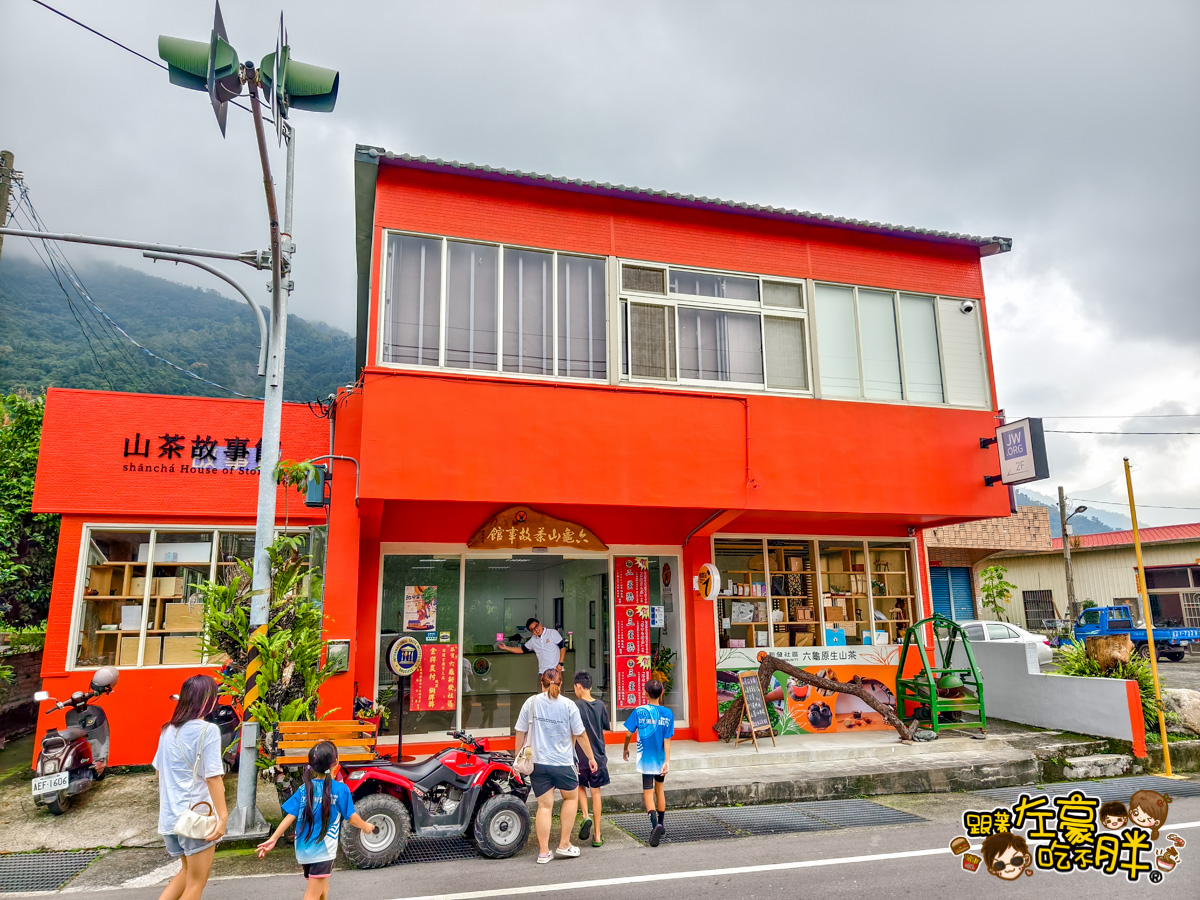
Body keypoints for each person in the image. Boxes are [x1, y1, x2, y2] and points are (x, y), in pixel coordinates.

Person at [256, 741, 376, 898]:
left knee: (322, 888)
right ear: (336, 762)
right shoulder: (340, 790)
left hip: (303, 852)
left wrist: (274, 838)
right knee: (312, 894)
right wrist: (366, 827)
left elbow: (290, 816)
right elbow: (352, 818)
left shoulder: (304, 789)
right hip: (323, 852)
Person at [153, 674, 227, 900]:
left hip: (170, 819)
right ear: (208, 700)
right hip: (195, 819)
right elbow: (213, 777)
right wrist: (222, 817)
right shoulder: (207, 730)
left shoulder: (167, 730)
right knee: (197, 882)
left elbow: (158, 770)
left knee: (186, 873)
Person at [514, 668, 598, 864]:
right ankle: (564, 844)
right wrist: (591, 758)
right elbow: (581, 734)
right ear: (561, 685)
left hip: (539, 763)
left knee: (544, 806)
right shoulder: (569, 705)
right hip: (563, 763)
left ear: (541, 684)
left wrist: (517, 757)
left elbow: (520, 732)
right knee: (570, 798)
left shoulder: (531, 702)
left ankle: (543, 852)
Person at [622, 678, 674, 847]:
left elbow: (629, 733)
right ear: (662, 693)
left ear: (645, 694)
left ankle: (654, 826)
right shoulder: (668, 714)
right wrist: (667, 760)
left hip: (646, 760)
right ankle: (662, 823)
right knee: (660, 790)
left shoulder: (639, 711)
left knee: (647, 791)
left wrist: (625, 748)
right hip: (660, 760)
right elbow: (667, 740)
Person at [572, 671, 610, 847]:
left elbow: (572, 732)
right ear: (591, 686)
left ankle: (585, 816)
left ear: (578, 686)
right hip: (598, 756)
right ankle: (597, 835)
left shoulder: (575, 706)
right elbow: (604, 727)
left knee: (580, 787)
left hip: (580, 756)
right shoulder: (601, 705)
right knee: (596, 793)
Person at [497, 617, 566, 685]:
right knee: (541, 694)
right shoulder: (533, 640)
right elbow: (522, 649)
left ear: (540, 624)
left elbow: (563, 647)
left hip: (556, 670)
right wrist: (506, 648)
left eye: (536, 626)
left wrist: (561, 664)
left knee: (557, 694)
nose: (536, 630)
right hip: (542, 672)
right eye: (532, 629)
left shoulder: (552, 633)